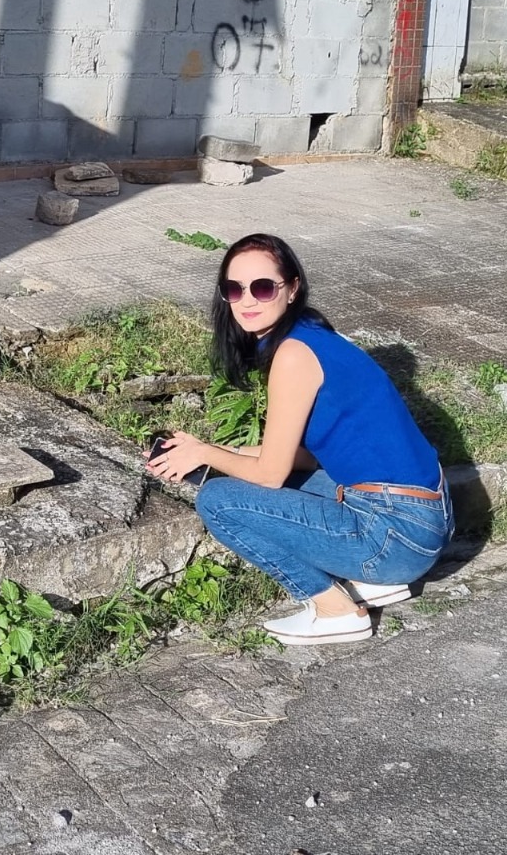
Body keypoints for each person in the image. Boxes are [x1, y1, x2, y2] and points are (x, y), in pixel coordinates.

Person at [146, 233, 454, 645]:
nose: (247, 301)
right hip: (422, 516)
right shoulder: (314, 336)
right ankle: (377, 581)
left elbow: (271, 474)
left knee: (217, 500)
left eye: (262, 287)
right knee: (248, 479)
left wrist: (206, 453)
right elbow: (302, 456)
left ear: (291, 289)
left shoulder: (292, 356)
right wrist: (213, 452)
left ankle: (335, 609)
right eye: (234, 289)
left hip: (396, 535)